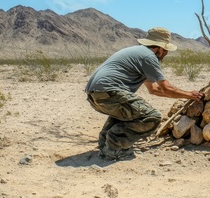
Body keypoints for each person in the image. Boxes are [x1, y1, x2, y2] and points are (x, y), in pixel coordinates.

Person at [85, 27, 203, 160]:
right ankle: (114, 149)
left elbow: (154, 89)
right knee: (151, 117)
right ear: (160, 48)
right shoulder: (148, 56)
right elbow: (166, 88)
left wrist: (185, 95)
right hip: (109, 92)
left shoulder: (138, 54)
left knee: (128, 112)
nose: (166, 53)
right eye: (166, 50)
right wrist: (190, 95)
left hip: (95, 94)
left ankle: (105, 143)